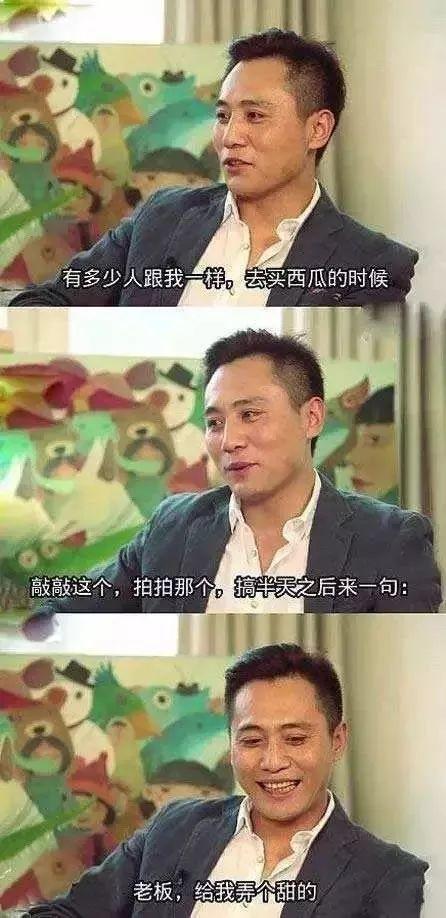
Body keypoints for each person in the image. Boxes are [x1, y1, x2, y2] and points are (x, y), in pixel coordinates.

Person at [31, 329, 441, 619]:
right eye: (214, 422)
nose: (229, 441)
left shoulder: (392, 540)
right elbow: (66, 609)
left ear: (312, 417)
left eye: (250, 415)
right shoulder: (173, 526)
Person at [9, 30, 417, 309]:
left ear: (317, 129)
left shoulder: (372, 264)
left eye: (254, 116)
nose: (230, 136)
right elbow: (48, 301)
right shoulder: (162, 217)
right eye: (223, 116)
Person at [24, 643, 429, 917]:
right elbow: (70, 912)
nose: (272, 761)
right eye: (251, 740)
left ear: (336, 740)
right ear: (231, 744)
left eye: (295, 739)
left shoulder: (387, 876)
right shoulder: (175, 826)